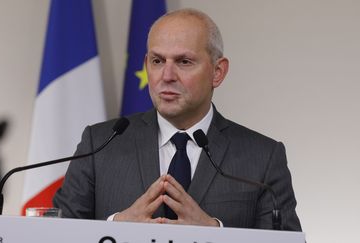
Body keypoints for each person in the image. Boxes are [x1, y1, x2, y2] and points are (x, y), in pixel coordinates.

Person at [53, 8, 301, 231]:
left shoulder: (263, 157)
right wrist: (117, 226)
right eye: (157, 61)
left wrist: (216, 234)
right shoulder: (99, 144)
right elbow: (53, 236)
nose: (167, 75)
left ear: (217, 72)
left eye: (184, 62)